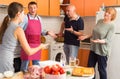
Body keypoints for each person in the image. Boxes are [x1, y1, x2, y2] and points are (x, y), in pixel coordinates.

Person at [0, 2, 47, 73]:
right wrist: (40, 46)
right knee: (22, 73)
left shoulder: (8, 26)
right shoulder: (18, 29)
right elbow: (29, 51)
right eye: (23, 13)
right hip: (12, 60)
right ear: (18, 14)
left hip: (4, 60)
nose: (24, 15)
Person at [79, 7, 117, 79]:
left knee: (101, 70)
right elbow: (94, 33)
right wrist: (85, 36)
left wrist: (99, 41)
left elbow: (108, 40)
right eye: (106, 12)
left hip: (102, 51)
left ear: (112, 16)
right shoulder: (99, 21)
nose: (106, 13)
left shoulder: (112, 26)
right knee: (90, 68)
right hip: (94, 48)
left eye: (109, 13)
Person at [20, 1, 57, 72]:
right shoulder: (25, 18)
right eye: (31, 8)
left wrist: (47, 32)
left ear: (37, 8)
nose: (33, 10)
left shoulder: (39, 19)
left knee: (36, 68)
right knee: (24, 68)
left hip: (37, 46)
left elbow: (41, 31)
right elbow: (20, 30)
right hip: (27, 45)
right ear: (28, 9)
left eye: (34, 8)